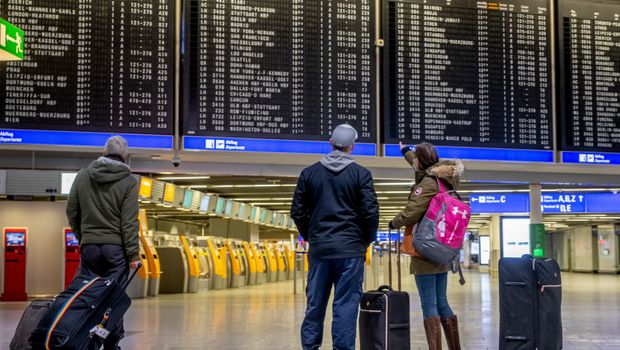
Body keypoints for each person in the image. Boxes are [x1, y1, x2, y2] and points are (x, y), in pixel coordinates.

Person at [291, 124, 379, 350]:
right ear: (353, 147)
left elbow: (298, 211)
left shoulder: (308, 173)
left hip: (320, 251)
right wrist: (365, 240)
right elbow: (370, 212)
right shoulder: (361, 174)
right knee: (346, 306)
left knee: (315, 305)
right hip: (350, 251)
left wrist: (310, 236)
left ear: (330, 142)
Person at [66, 136, 140, 350]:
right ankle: (110, 343)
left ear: (103, 152)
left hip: (89, 249)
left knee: (86, 296)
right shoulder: (128, 181)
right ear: (125, 155)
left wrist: (84, 238)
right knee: (112, 299)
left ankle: (83, 339)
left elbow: (71, 211)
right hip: (115, 252)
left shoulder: (83, 175)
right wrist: (133, 254)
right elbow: (128, 222)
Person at [389, 142, 464, 350]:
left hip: (426, 250)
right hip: (442, 249)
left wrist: (394, 222)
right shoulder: (444, 180)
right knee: (442, 301)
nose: (413, 161)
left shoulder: (428, 183)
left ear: (420, 162)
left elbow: (413, 211)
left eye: (415, 159)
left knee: (429, 305)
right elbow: (415, 162)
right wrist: (405, 150)